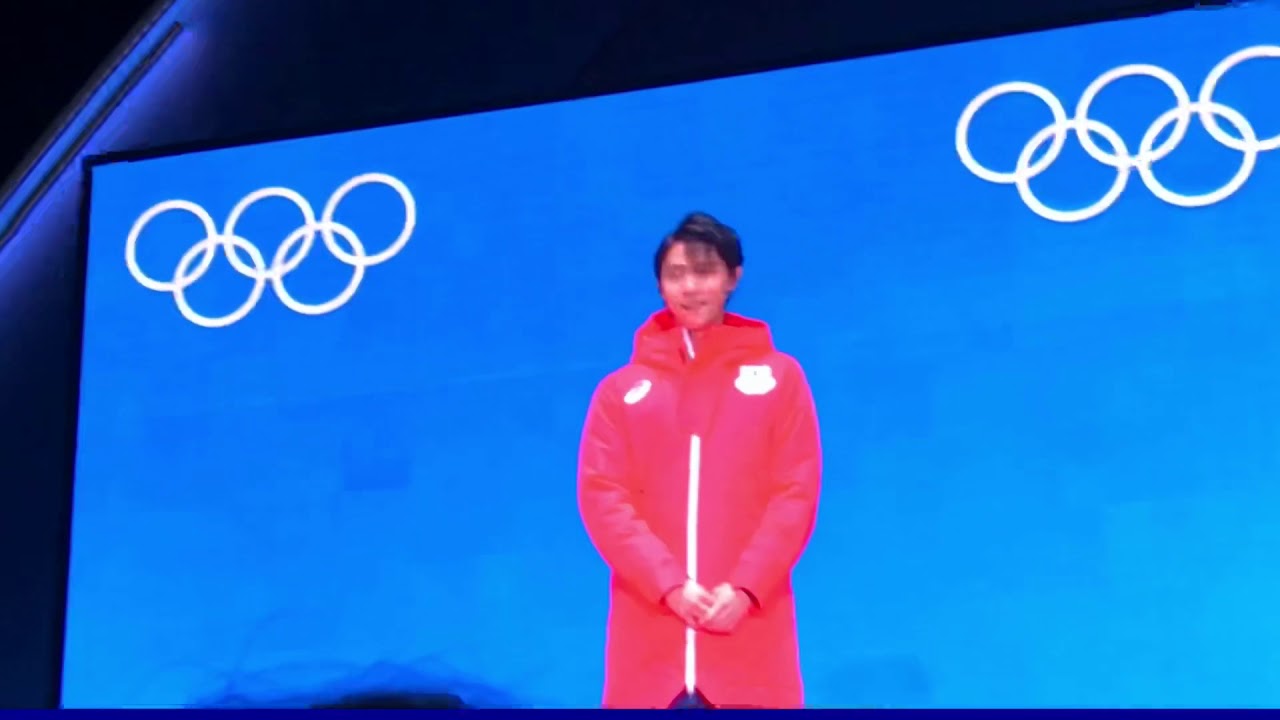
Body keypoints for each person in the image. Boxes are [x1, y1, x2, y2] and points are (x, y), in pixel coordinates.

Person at [577, 212, 822, 709]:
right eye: (676, 274)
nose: (690, 287)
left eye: (705, 271)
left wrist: (747, 588)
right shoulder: (620, 392)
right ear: (659, 285)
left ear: (734, 277)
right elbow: (603, 499)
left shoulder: (780, 378)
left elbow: (795, 494)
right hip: (648, 657)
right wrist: (667, 586)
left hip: (748, 645)